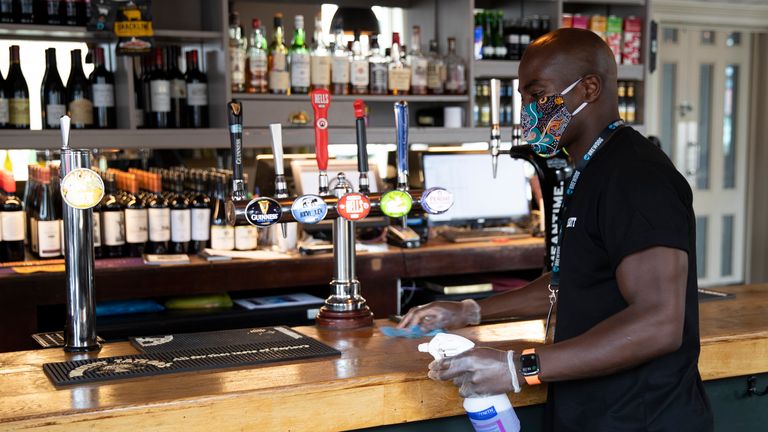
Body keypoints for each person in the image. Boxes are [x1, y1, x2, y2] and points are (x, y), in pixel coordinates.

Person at [398, 28, 714, 431]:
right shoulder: (592, 169)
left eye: (538, 94)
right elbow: (576, 282)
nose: (527, 109)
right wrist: (469, 310)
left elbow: (659, 324)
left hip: (642, 417)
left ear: (589, 88)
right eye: (524, 97)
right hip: (594, 411)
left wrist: (520, 367)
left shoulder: (637, 176)